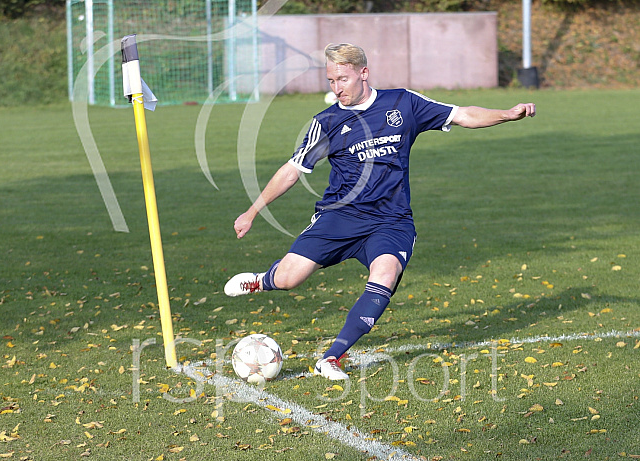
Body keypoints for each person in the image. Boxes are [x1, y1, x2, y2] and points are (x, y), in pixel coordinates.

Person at [224, 43, 536, 380]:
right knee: (289, 279)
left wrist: (507, 113)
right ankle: (262, 281)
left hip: (392, 220)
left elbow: (461, 114)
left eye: (342, 79)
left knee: (385, 275)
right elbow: (293, 170)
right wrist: (252, 210)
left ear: (363, 73)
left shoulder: (403, 103)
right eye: (330, 80)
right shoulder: (326, 122)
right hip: (339, 217)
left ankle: (331, 358)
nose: (336, 87)